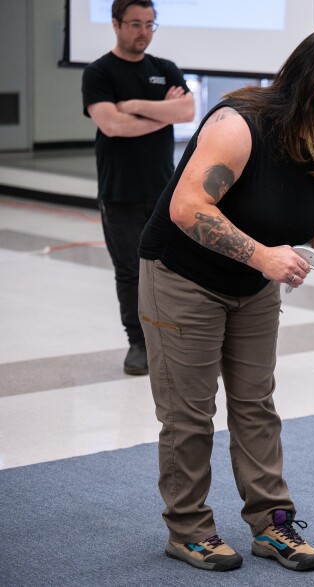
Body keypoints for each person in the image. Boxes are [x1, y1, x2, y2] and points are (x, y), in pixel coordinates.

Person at [137, 27, 314, 573]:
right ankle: (190, 530)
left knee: (256, 405)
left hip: (251, 286)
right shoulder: (237, 124)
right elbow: (187, 207)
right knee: (189, 413)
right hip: (183, 276)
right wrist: (265, 258)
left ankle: (272, 526)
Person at [82, 0, 194, 376]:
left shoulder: (165, 69)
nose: (143, 32)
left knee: (174, 269)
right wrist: (160, 114)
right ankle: (138, 343)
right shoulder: (99, 72)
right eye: (134, 24)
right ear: (115, 24)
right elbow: (112, 125)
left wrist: (131, 106)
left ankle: (174, 338)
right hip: (119, 192)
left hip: (166, 191)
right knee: (130, 271)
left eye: (150, 24)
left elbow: (187, 112)